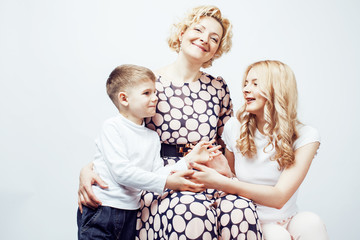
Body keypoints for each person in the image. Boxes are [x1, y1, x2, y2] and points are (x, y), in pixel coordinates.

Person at [78, 5, 263, 240]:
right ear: (182, 33)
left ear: (216, 50)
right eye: (198, 29)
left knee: (242, 210)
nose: (205, 39)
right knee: (192, 212)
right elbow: (124, 132)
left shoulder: (218, 87)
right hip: (163, 176)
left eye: (214, 38)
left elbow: (226, 142)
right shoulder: (150, 84)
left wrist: (229, 178)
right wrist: (88, 169)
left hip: (211, 173)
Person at [77, 64, 222, 240]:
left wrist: (190, 158)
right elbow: (122, 173)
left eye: (155, 93)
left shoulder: (152, 137)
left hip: (130, 212)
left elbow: (156, 173)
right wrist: (169, 182)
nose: (155, 98)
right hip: (103, 209)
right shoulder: (112, 127)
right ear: (124, 99)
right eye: (147, 93)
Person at [190, 60, 329, 240]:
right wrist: (225, 175)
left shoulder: (306, 136)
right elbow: (233, 181)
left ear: (277, 89)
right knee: (277, 236)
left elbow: (279, 198)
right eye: (246, 83)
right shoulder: (234, 127)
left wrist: (220, 181)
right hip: (251, 221)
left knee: (312, 222)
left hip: (288, 217)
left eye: (255, 84)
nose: (246, 89)